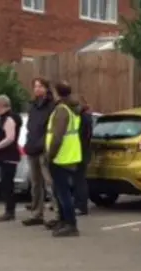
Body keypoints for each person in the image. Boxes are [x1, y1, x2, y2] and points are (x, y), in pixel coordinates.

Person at [45, 81, 85, 237]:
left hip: (61, 157)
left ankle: (70, 224)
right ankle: (64, 221)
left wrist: (50, 155)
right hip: (70, 155)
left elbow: (57, 137)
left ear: (56, 93)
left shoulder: (62, 110)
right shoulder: (72, 108)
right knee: (60, 191)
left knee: (63, 193)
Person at [22, 78, 58, 227]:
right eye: (35, 86)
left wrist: (43, 144)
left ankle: (58, 213)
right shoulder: (33, 106)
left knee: (50, 182)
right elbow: (31, 127)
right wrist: (29, 143)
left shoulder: (52, 106)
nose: (37, 89)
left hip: (44, 149)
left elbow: (51, 129)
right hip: (32, 148)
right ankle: (37, 213)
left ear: (46, 88)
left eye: (40, 86)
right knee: (36, 183)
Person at [0, 94, 22, 222]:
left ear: (1, 105)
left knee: (7, 184)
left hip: (9, 155)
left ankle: (10, 211)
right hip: (5, 155)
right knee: (5, 183)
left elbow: (10, 138)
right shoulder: (5, 118)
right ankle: (9, 210)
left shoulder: (8, 119)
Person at [74, 97, 93, 216]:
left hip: (80, 152)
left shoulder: (83, 118)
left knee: (79, 180)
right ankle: (79, 204)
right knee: (78, 180)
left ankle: (81, 206)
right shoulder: (85, 117)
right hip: (81, 152)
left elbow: (84, 137)